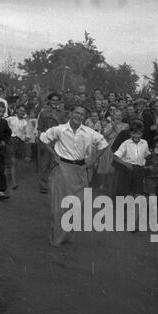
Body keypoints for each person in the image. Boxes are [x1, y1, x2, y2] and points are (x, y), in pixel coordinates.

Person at [40, 105, 108, 246]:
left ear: (85, 117)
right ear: (71, 114)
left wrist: (92, 160)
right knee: (59, 205)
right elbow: (43, 138)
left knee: (75, 205)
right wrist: (54, 155)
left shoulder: (89, 132)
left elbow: (103, 144)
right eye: (76, 113)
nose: (78, 116)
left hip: (80, 170)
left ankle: (67, 236)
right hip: (62, 169)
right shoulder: (60, 129)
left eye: (82, 114)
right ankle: (56, 237)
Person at [113, 122, 150, 230]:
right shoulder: (126, 143)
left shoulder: (145, 143)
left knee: (138, 195)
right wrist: (125, 164)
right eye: (134, 133)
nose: (136, 136)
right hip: (127, 170)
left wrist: (146, 166)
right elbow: (115, 157)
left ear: (141, 134)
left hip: (139, 171)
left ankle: (134, 223)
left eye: (138, 134)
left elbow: (147, 155)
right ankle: (123, 219)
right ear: (130, 133)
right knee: (125, 195)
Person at [37, 92, 64, 194]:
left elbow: (65, 127)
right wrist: (41, 141)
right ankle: (43, 185)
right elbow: (40, 128)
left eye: (57, 100)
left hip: (57, 141)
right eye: (53, 100)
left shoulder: (62, 113)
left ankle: (54, 184)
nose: (55, 102)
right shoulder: (43, 113)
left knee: (56, 163)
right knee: (44, 163)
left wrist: (57, 118)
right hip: (46, 141)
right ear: (49, 101)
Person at [6, 104, 31, 188]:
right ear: (16, 110)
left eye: (23, 111)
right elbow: (2, 125)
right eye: (20, 110)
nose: (22, 112)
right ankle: (13, 182)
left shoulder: (26, 122)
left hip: (19, 143)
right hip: (10, 141)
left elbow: (28, 135)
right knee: (12, 161)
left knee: (14, 162)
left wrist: (25, 138)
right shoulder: (11, 119)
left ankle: (8, 178)